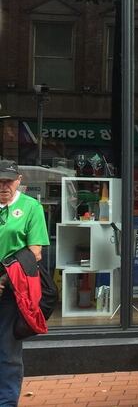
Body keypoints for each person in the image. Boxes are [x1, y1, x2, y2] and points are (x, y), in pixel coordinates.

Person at [0, 159, 49, 406]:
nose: (3, 185)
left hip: (11, 289)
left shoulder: (31, 207)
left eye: (8, 180)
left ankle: (6, 402)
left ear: (19, 180)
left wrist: (4, 278)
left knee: (7, 353)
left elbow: (35, 251)